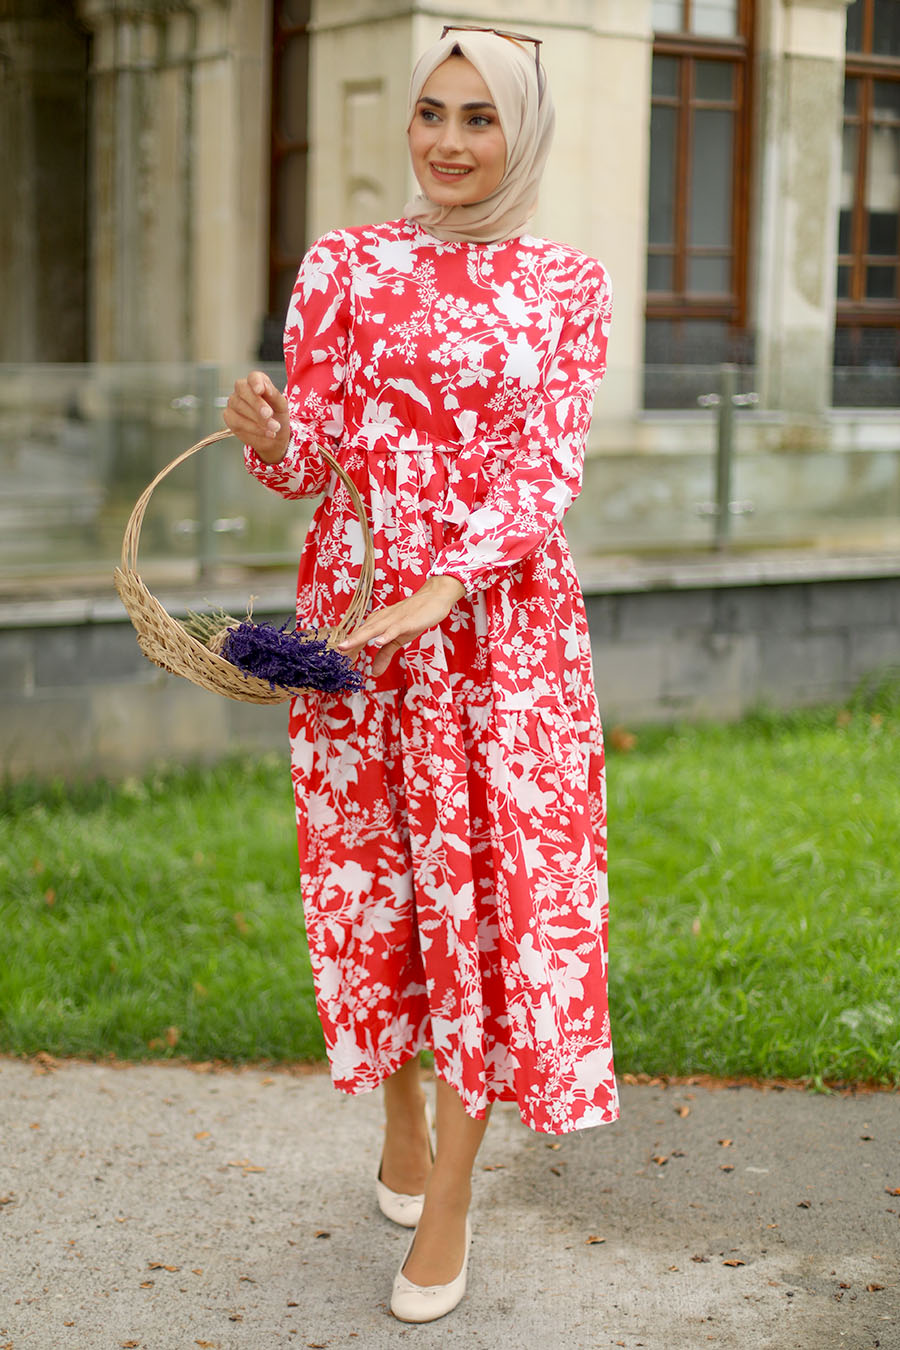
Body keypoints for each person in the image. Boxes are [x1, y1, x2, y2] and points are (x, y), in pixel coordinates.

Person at [223, 25, 618, 1324]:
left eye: (479, 119)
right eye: (431, 113)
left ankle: (450, 1193)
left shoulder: (568, 285)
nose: (448, 141)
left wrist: (449, 581)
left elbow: (547, 467)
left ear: (522, 133)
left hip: (495, 635)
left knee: (484, 910)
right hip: (351, 622)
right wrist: (266, 431)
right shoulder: (345, 263)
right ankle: (398, 1111)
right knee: (374, 880)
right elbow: (313, 458)